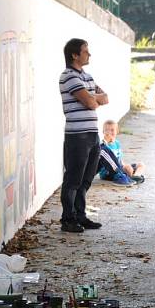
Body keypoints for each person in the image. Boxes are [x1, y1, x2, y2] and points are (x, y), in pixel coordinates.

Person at [58, 38, 109, 233]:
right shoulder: (69, 77)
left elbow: (104, 97)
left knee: (87, 178)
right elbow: (91, 103)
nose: (89, 54)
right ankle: (68, 219)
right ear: (74, 55)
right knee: (73, 179)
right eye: (86, 51)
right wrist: (92, 98)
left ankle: (80, 215)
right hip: (77, 136)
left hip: (92, 134)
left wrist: (92, 97)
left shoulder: (86, 77)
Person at [97, 119, 145, 186]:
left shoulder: (117, 143)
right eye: (106, 130)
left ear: (117, 131)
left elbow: (120, 159)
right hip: (108, 172)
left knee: (141, 164)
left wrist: (124, 165)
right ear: (103, 132)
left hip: (120, 167)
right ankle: (131, 177)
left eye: (112, 130)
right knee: (127, 168)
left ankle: (136, 176)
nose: (109, 132)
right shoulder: (103, 145)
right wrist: (125, 167)